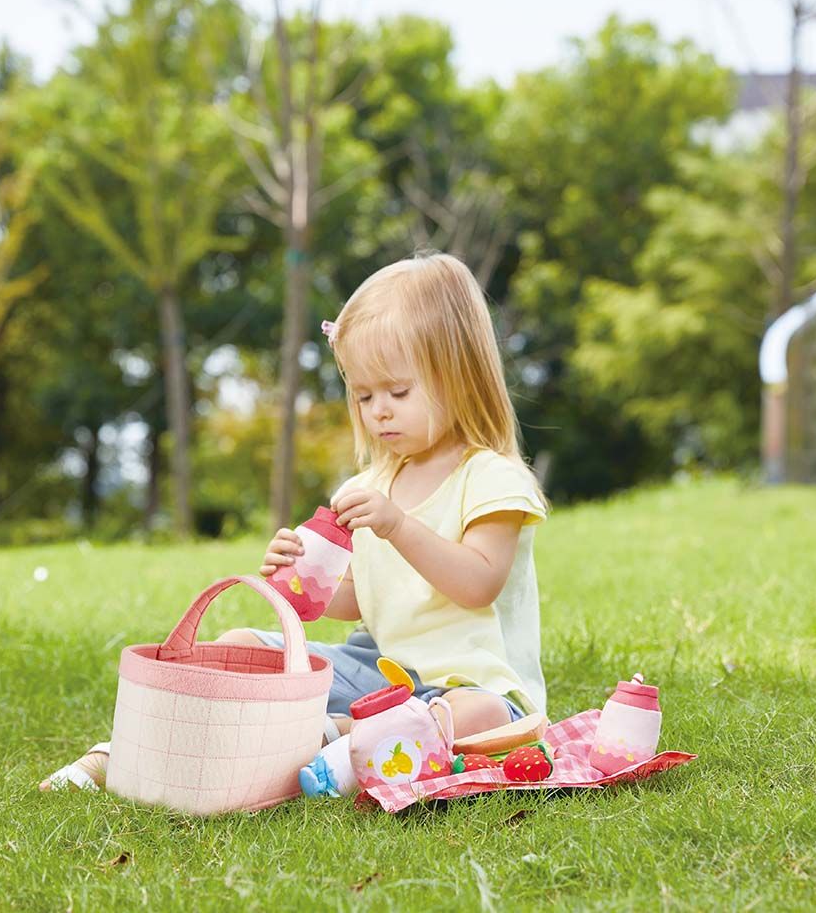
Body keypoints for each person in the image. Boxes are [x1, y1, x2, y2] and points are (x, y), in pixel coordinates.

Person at [41, 252, 547, 792]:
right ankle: (134, 752)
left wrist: (398, 526)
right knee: (241, 643)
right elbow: (356, 599)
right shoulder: (366, 487)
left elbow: (477, 583)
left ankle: (321, 739)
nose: (378, 410)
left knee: (482, 718)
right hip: (380, 667)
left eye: (398, 392)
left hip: (470, 682)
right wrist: (300, 578)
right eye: (363, 394)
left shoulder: (492, 477)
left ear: (460, 377)